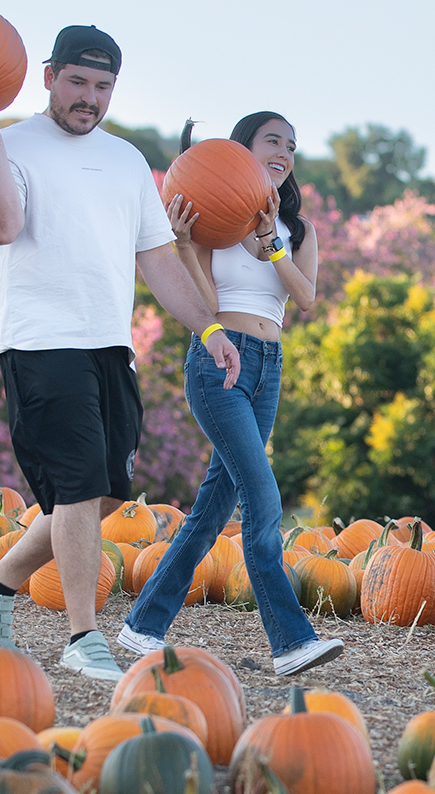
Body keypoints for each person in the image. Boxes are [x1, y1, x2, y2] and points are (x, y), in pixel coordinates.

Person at [0, 25, 239, 681]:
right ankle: (81, 637)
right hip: (41, 342)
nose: (89, 98)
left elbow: (157, 258)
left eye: (102, 87)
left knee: (101, 496)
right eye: (77, 82)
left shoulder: (127, 160)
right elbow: (0, 227)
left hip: (110, 346)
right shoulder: (8, 144)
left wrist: (208, 328)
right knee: (75, 488)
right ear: (48, 77)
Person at [115, 112, 343, 676]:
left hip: (269, 365)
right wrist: (188, 245)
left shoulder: (299, 230)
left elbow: (305, 297)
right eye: (273, 141)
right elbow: (208, 305)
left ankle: (141, 625)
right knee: (262, 499)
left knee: (214, 507)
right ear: (242, 150)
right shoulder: (217, 220)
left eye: (291, 146)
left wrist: (273, 248)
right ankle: (290, 640)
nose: (284, 153)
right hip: (220, 363)